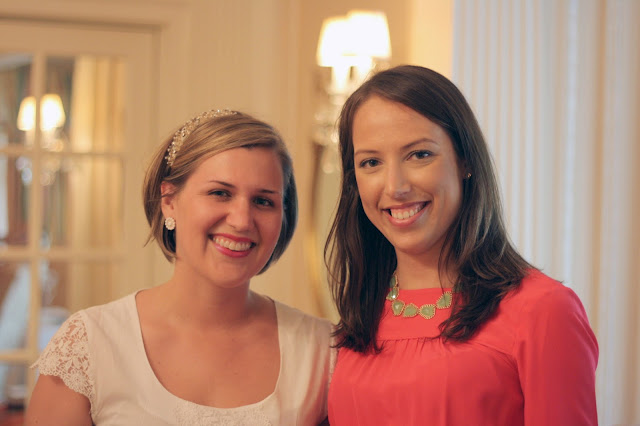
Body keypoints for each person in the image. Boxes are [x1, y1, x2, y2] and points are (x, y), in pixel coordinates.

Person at [325, 65, 598, 425]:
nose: (395, 187)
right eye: (371, 162)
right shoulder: (359, 318)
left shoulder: (543, 311)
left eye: (419, 155)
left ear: (464, 159)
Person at [26, 109, 333, 425]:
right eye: (220, 193)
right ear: (169, 200)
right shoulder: (90, 345)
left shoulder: (321, 350)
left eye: (263, 201)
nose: (242, 220)